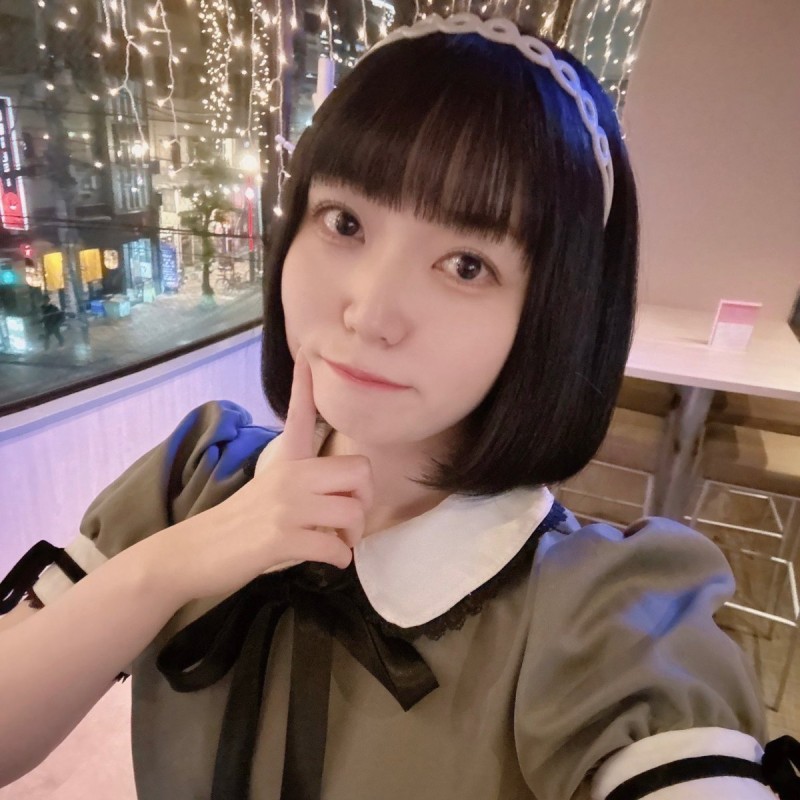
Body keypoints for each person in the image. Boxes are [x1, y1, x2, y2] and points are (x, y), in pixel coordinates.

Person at [0, 12, 796, 800]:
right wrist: (170, 566)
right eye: (344, 222)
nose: (370, 311)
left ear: (553, 314)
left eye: (466, 264)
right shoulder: (190, 483)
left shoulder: (598, 619)